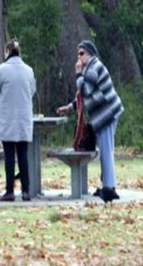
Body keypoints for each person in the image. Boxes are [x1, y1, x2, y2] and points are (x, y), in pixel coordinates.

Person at [56, 40, 124, 203]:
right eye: (78, 54)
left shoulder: (94, 68)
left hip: (107, 113)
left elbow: (86, 90)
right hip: (105, 114)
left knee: (106, 152)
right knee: (106, 151)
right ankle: (108, 186)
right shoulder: (90, 68)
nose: (78, 58)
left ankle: (109, 188)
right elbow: (84, 96)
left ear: (90, 54)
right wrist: (70, 107)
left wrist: (78, 73)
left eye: (82, 54)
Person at [0, 39, 36, 202]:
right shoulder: (29, 70)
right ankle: (26, 191)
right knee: (23, 155)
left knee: (9, 155)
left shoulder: (1, 70)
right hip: (23, 119)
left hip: (7, 119)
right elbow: (32, 90)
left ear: (7, 52)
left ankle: (9, 191)